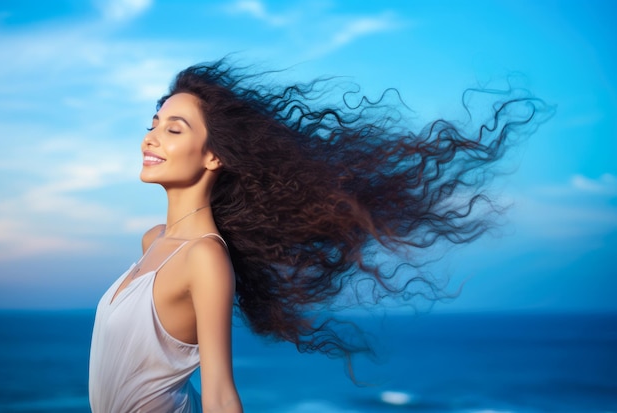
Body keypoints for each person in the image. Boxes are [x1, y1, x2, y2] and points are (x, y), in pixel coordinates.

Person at [89, 58, 549, 412]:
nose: (151, 138)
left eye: (173, 129)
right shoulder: (154, 242)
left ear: (214, 157)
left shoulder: (204, 259)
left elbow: (220, 395)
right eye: (153, 125)